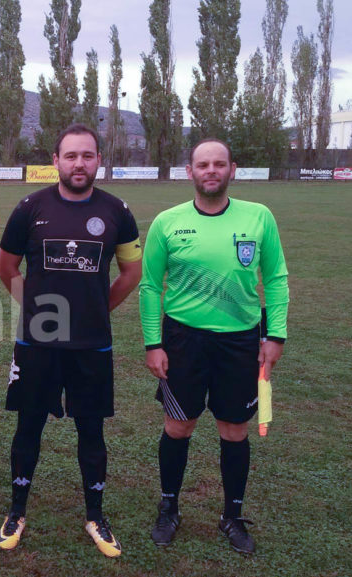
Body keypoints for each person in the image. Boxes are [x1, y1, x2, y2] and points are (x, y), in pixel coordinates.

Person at [0, 123, 142, 558]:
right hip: (38, 343)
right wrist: (37, 312)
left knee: (91, 431)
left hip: (91, 344)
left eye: (88, 155)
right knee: (28, 426)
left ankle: (95, 516)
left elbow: (131, 272)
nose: (80, 163)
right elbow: (6, 268)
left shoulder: (117, 211)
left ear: (99, 161)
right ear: (56, 161)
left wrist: (97, 309)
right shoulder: (30, 208)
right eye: (71, 156)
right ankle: (16, 511)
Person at [139, 138, 289, 555]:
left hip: (240, 341)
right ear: (190, 171)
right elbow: (150, 287)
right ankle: (169, 508)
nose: (211, 171)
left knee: (234, 429)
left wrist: (275, 335)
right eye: (203, 164)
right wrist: (153, 343)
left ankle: (232, 516)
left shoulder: (258, 217)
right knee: (178, 426)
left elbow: (276, 278)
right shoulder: (168, 222)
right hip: (183, 340)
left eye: (219, 164)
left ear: (232, 169)